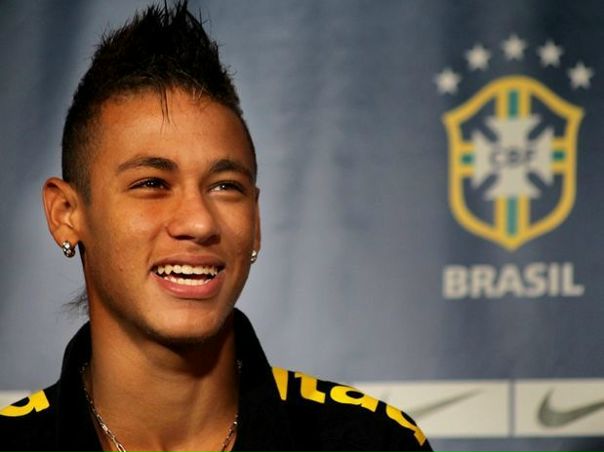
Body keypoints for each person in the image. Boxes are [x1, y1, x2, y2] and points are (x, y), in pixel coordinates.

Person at [0, 2, 432, 451]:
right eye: (152, 183)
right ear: (65, 214)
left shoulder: (374, 443)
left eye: (225, 187)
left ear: (256, 221)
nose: (200, 221)